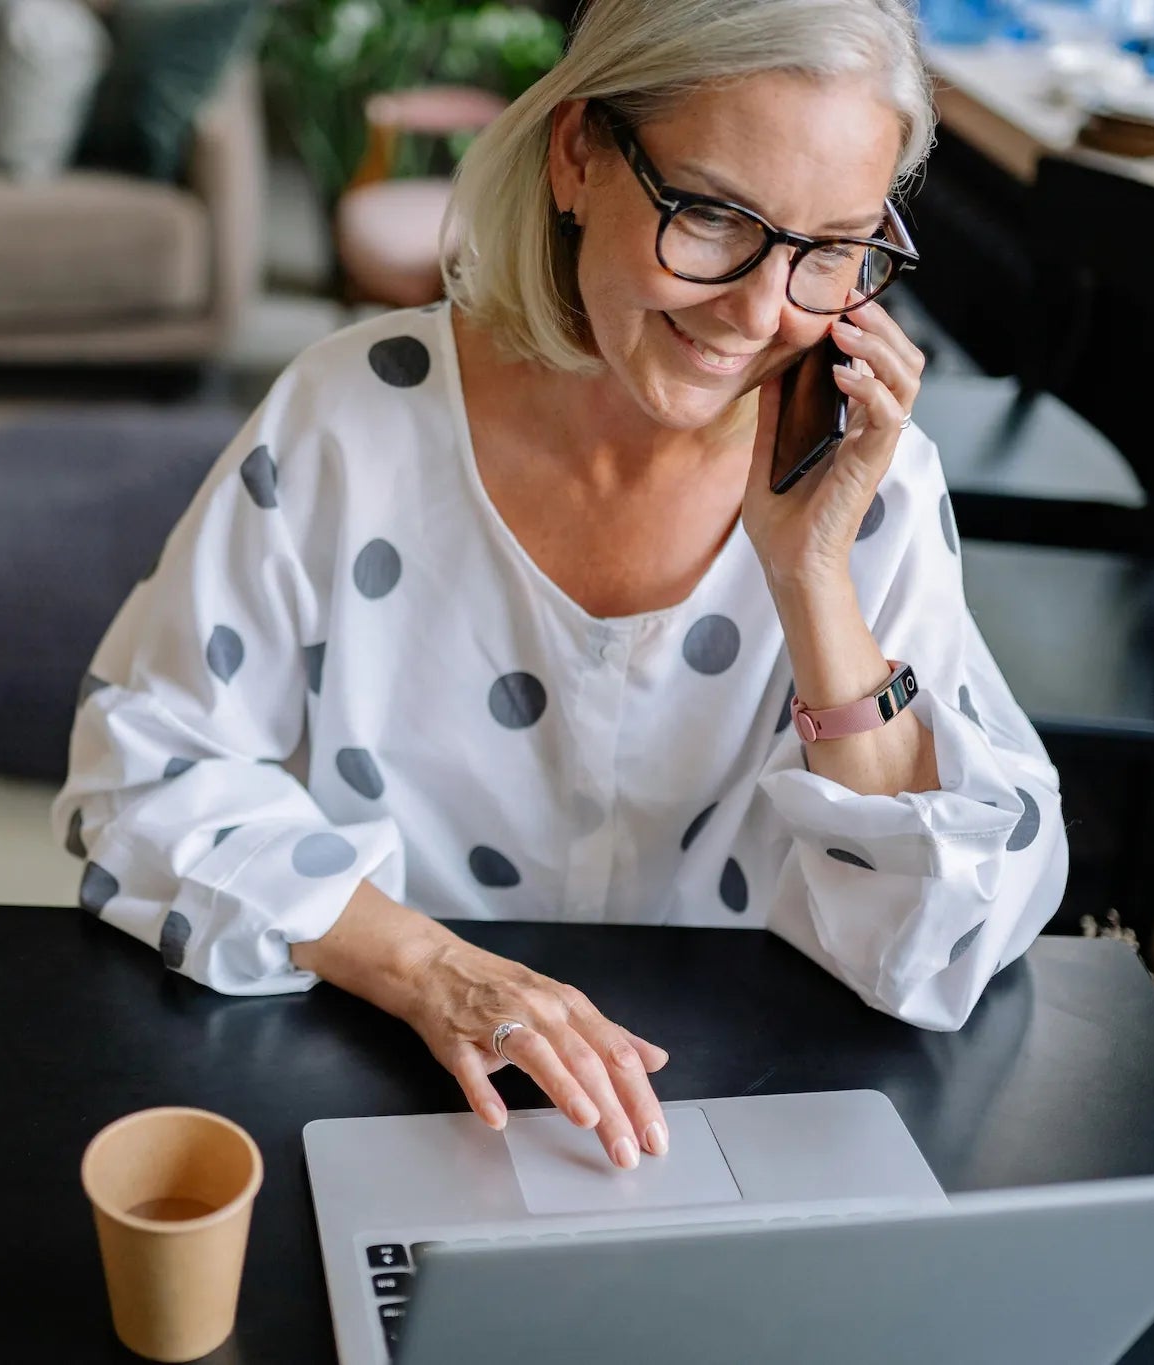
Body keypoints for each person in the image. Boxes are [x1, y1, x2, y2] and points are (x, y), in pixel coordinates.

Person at [53, 0, 1067, 1172]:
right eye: (711, 217)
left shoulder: (863, 481)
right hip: (386, 1077)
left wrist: (811, 575)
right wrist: (433, 970)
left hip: (733, 1124)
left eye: (830, 248)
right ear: (576, 151)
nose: (757, 311)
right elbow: (137, 774)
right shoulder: (352, 420)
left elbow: (941, 940)